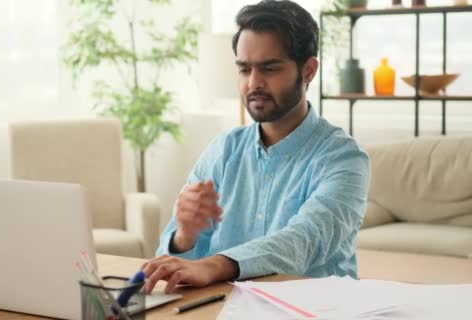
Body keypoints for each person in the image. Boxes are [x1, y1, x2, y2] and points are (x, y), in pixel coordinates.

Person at [141, 0, 370, 294]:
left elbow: (305, 240)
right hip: (223, 307)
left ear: (309, 70)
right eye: (244, 69)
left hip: (315, 308)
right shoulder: (223, 150)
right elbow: (175, 264)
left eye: (270, 68)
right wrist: (185, 237)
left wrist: (215, 265)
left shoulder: (345, 159)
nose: (253, 83)